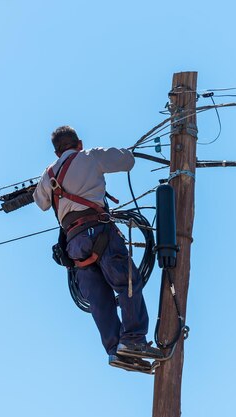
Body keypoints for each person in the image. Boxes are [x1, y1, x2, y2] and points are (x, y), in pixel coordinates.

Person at [33, 126, 163, 372]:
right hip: (99, 231)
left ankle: (116, 350)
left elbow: (40, 202)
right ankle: (134, 340)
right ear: (78, 143)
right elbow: (127, 160)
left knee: (100, 301)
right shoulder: (90, 156)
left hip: (74, 245)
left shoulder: (48, 174)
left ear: (56, 150)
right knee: (127, 282)